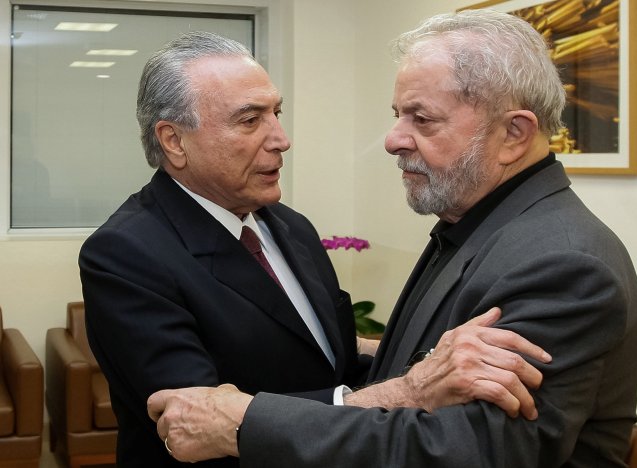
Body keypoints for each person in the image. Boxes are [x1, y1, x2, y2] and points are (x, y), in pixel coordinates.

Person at [147, 9, 637, 467]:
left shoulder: (563, 264)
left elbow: (471, 449)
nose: (392, 139)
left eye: (421, 119)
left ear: (513, 134)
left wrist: (242, 422)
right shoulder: (479, 224)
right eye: (398, 114)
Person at [80, 30, 549, 467]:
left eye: (275, 114)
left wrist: (422, 353)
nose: (281, 140)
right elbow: (199, 426)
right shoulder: (125, 254)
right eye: (249, 120)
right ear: (174, 141)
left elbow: (328, 354)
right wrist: (408, 390)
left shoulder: (289, 227)